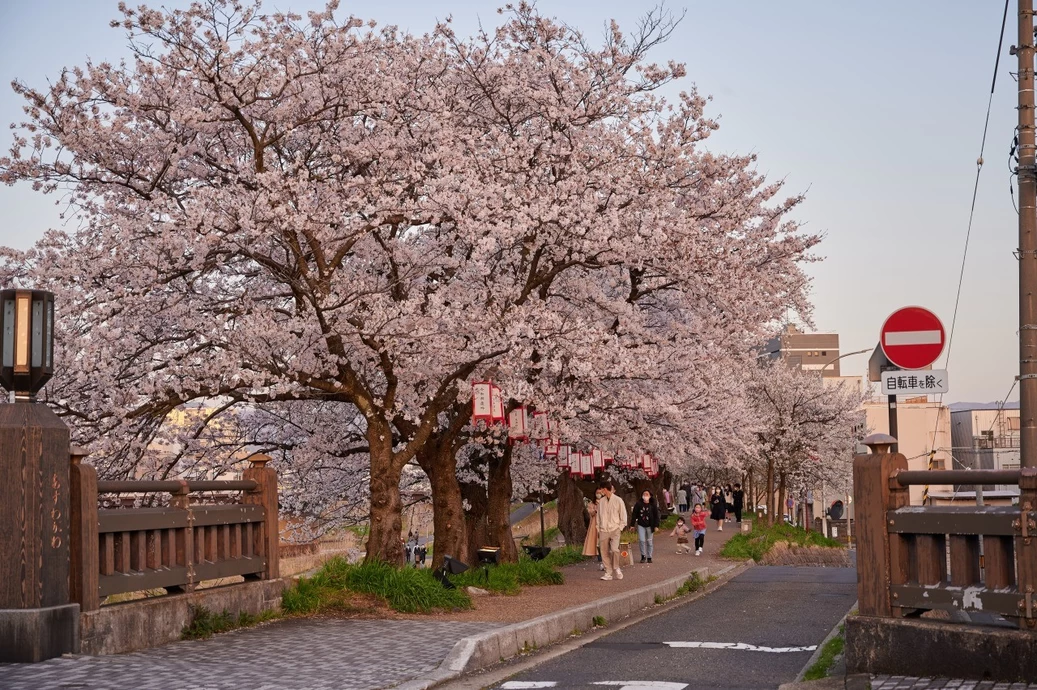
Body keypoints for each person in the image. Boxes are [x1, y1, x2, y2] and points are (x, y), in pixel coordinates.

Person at [597, 480, 627, 581]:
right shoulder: (601, 502)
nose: (600, 491)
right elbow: (598, 516)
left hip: (615, 529)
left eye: (601, 489)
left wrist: (620, 527)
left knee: (614, 550)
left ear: (605, 489)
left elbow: (623, 515)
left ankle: (616, 567)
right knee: (604, 552)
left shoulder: (618, 500)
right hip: (603, 529)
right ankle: (608, 572)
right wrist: (598, 527)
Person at [630, 489, 660, 563]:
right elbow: (634, 515)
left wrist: (656, 525)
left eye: (647, 494)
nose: (645, 496)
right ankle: (643, 555)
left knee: (649, 542)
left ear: (650, 496)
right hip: (641, 525)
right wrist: (632, 525)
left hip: (650, 525)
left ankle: (649, 556)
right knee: (642, 540)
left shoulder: (653, 504)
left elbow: (657, 515)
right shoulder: (638, 504)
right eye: (644, 494)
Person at [583, 492, 602, 570]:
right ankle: (599, 555)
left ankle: (604, 555)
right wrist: (595, 510)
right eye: (597, 493)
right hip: (594, 523)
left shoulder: (605, 502)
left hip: (603, 522)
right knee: (596, 540)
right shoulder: (591, 504)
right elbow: (591, 513)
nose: (598, 494)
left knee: (602, 539)